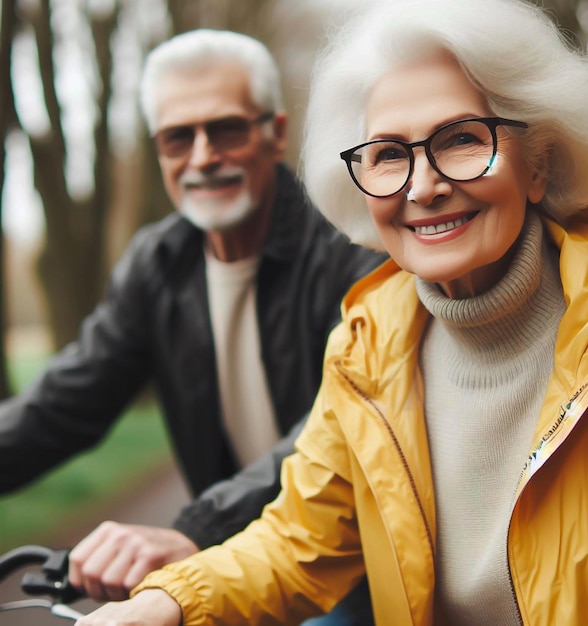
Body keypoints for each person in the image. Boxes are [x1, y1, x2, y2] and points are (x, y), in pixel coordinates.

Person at [74, 0, 588, 624]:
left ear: (540, 162)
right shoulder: (369, 342)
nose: (422, 187)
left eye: (462, 140)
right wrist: (161, 604)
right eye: (389, 154)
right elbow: (296, 544)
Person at [0, 28, 383, 622]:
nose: (203, 156)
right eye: (179, 137)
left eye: (226, 129)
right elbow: (63, 405)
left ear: (275, 134)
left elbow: (339, 426)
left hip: (347, 553)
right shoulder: (159, 263)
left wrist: (198, 528)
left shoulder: (349, 244)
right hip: (227, 560)